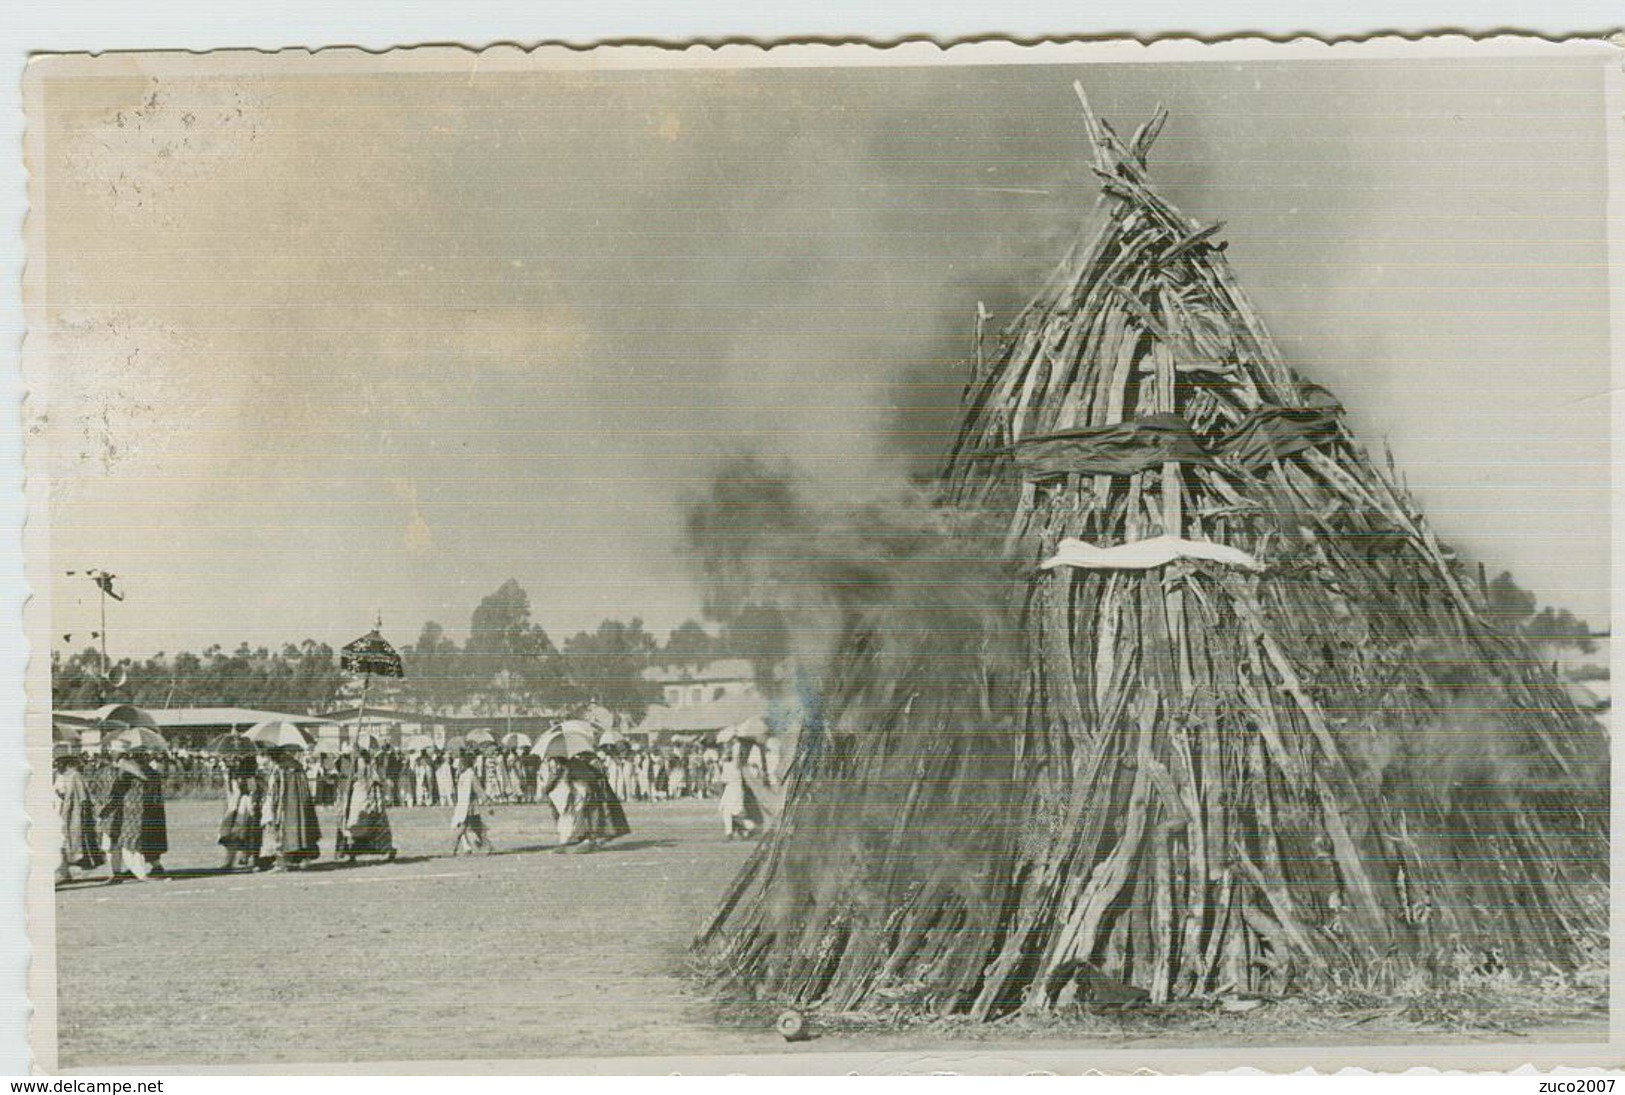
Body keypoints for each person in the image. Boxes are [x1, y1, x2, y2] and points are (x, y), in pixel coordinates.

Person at [541, 752, 631, 853]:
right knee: (579, 819)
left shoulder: (574, 765)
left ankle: (584, 840)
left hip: (585, 795)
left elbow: (584, 781)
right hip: (584, 795)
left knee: (581, 818)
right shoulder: (575, 764)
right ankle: (583, 840)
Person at [100, 748, 168, 881]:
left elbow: (112, 790)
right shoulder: (148, 770)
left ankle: (135, 873)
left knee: (127, 843)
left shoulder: (125, 768)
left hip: (130, 812)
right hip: (143, 810)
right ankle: (151, 868)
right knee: (140, 842)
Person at [261, 747, 321, 871]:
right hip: (298, 805)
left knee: (279, 831)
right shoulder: (295, 765)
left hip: (285, 806)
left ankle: (282, 863)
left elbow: (275, 791)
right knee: (300, 829)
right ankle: (302, 859)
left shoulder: (281, 768)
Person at [336, 745, 397, 863]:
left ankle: (386, 849)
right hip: (357, 795)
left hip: (368, 795)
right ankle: (352, 852)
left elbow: (377, 778)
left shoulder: (371, 761)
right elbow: (348, 776)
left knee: (371, 822)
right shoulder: (353, 761)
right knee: (354, 822)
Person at [54, 751, 103, 884]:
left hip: (75, 811)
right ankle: (65, 869)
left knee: (75, 837)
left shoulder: (75, 776)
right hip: (63, 809)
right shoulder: (61, 776)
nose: (58, 765)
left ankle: (69, 868)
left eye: (60, 763)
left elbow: (82, 796)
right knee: (64, 839)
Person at [217, 753, 263, 872]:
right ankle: (230, 860)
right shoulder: (233, 774)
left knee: (249, 833)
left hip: (246, 806)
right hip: (235, 806)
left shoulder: (249, 775)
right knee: (233, 834)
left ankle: (250, 859)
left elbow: (252, 791)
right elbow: (230, 793)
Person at [450, 750, 492, 855]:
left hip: (470, 807)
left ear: (465, 764)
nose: (459, 766)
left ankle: (452, 848)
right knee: (477, 828)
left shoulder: (471, 776)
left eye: (461, 764)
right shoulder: (463, 776)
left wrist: (487, 804)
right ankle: (487, 846)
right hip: (465, 806)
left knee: (462, 828)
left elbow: (479, 791)